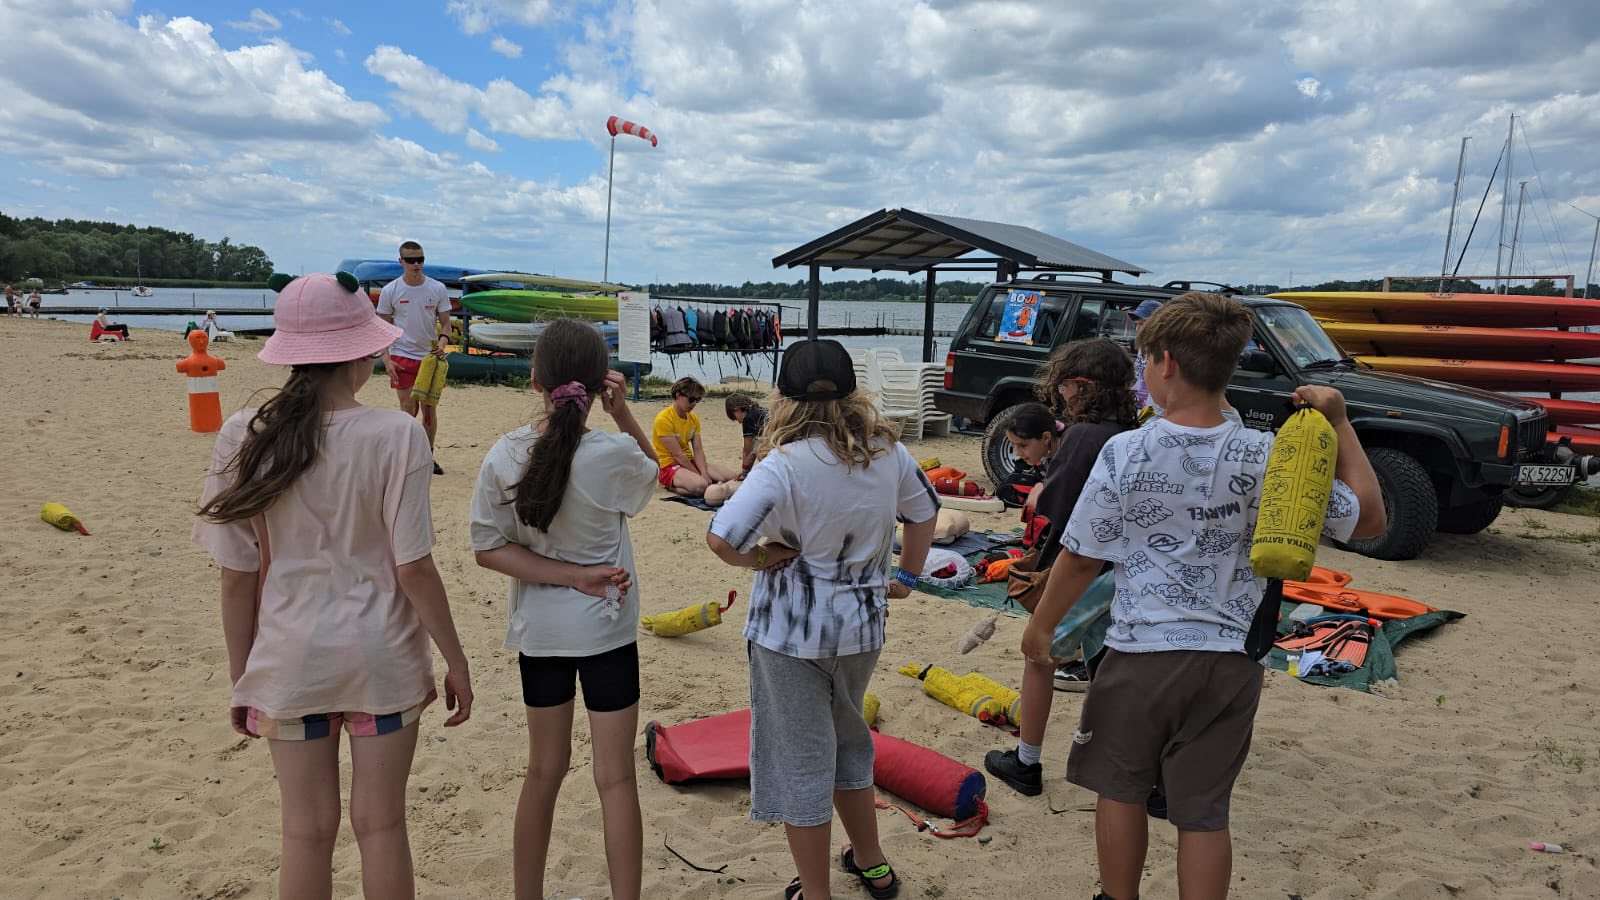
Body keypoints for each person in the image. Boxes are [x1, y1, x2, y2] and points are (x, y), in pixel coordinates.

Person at [1021, 293, 1385, 900]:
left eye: (1144, 362)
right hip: (1232, 662)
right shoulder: (1270, 455)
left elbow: (1082, 556)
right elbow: (1368, 519)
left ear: (1165, 362)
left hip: (1140, 654)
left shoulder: (1127, 450)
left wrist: (1043, 626)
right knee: (1204, 812)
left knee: (1121, 789)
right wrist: (1340, 423)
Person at [193, 272, 473, 899]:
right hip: (382, 657)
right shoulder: (397, 433)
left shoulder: (243, 433)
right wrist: (455, 661)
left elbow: (237, 577)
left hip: (291, 657)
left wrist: (245, 675)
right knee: (382, 825)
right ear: (362, 352)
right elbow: (413, 567)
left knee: (305, 833)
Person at [707, 339, 940, 900]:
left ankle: (815, 892)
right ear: (853, 393)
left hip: (789, 636)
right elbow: (924, 513)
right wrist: (907, 576)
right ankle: (873, 864)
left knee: (801, 761)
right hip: (861, 628)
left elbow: (721, 539)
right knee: (850, 742)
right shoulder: (886, 452)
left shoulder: (783, 464)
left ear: (783, 398)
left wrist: (761, 557)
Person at [469, 318, 657, 900]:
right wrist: (624, 415)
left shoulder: (506, 453)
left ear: (535, 380)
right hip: (607, 631)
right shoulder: (612, 454)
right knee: (615, 779)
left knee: (543, 772)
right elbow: (652, 474)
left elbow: (488, 549)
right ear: (601, 383)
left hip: (542, 634)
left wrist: (567, 577)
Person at [985, 339, 1139, 797]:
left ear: (1080, 385)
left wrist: (1039, 493)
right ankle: (1121, 758)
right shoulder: (1130, 430)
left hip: (1085, 566)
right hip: (1122, 568)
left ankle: (1026, 761)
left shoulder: (1083, 435)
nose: (1062, 395)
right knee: (1105, 660)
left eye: (1064, 386)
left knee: (1039, 655)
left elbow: (1060, 505)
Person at [376, 241, 451, 475]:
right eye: (411, 260)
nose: (416, 264)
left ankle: (428, 456)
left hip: (429, 358)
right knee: (408, 410)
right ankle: (406, 457)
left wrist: (442, 344)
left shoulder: (437, 288)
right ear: (401, 262)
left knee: (429, 410)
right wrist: (386, 359)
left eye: (420, 259)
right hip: (402, 356)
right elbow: (382, 329)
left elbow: (446, 324)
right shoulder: (390, 291)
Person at [652, 377, 738, 496]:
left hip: (689, 461)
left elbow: (698, 449)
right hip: (669, 465)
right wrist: (699, 475)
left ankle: (695, 482)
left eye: (697, 400)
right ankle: (669, 486)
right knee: (701, 486)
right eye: (691, 399)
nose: (694, 404)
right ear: (678, 395)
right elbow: (678, 454)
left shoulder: (693, 418)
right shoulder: (664, 419)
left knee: (732, 477)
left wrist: (703, 472)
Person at [1126, 299, 1162, 409]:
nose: (1138, 329)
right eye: (1136, 324)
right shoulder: (1143, 346)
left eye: (1142, 324)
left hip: (1154, 410)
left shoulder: (1163, 350)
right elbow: (1139, 377)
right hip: (1138, 405)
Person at [724, 392, 768, 475]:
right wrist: (747, 470)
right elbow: (754, 448)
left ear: (737, 410)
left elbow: (747, 450)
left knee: (761, 451)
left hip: (775, 444)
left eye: (734, 417)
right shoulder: (758, 410)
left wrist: (744, 473)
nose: (738, 422)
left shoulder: (748, 419)